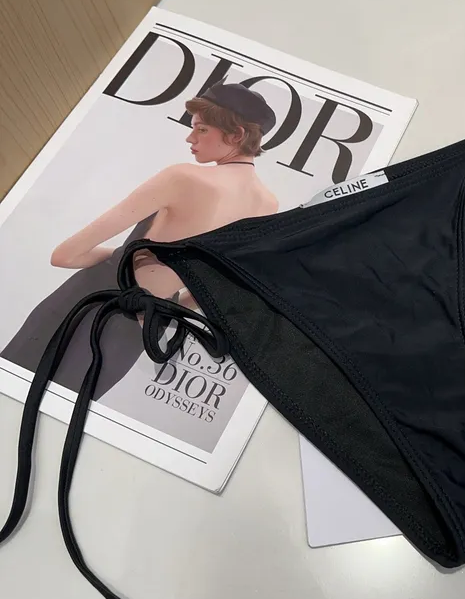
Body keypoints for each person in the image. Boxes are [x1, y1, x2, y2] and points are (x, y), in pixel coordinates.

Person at [1, 82, 279, 400]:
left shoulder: (184, 177)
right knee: (60, 410)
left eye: (201, 129)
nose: (190, 138)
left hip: (88, 302)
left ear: (237, 135)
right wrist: (166, 303)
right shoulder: (267, 205)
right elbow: (216, 287)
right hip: (143, 328)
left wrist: (121, 257)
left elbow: (65, 255)